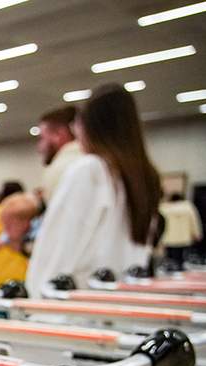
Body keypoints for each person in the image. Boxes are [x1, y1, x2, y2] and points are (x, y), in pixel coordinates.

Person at [26, 84, 162, 297]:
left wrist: (35, 298)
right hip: (124, 295)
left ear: (90, 127)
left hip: (80, 301)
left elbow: (58, 246)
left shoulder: (91, 169)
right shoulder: (144, 177)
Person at [37, 105, 83, 202]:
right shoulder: (102, 158)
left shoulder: (60, 168)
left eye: (42, 138)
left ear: (58, 134)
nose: (39, 148)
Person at [160, 193, 202, 264]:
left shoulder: (164, 208)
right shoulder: (188, 207)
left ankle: (171, 266)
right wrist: (197, 233)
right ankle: (179, 266)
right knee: (180, 257)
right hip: (183, 238)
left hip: (168, 238)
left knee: (170, 257)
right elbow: (194, 221)